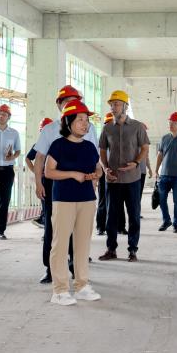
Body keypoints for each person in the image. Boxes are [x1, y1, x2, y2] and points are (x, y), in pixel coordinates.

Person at [33, 85, 100, 284]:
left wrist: (94, 180)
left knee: (79, 230)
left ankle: (75, 268)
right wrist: (38, 183)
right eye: (67, 101)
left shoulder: (88, 127)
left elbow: (94, 156)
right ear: (59, 104)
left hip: (82, 184)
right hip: (56, 184)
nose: (71, 104)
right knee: (53, 229)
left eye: (75, 100)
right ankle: (51, 269)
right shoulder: (50, 130)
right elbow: (39, 158)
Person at [44, 99, 103, 305]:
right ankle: (59, 290)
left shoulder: (89, 146)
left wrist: (96, 174)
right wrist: (72, 174)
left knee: (83, 245)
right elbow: (48, 171)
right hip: (64, 200)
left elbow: (98, 167)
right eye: (80, 120)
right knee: (60, 245)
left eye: (87, 120)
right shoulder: (58, 145)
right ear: (68, 122)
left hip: (87, 199)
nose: (85, 124)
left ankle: (81, 286)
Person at [98, 89, 150, 261]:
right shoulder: (107, 128)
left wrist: (136, 162)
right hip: (113, 180)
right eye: (112, 105)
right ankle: (111, 249)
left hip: (132, 179)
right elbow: (102, 150)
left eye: (117, 104)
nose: (113, 107)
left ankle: (132, 250)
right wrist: (105, 168)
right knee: (111, 216)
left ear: (125, 106)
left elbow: (145, 147)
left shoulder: (137, 127)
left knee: (134, 215)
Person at [0, 104, 21, 240]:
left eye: (4, 114)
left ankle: (0, 230)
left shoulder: (14, 133)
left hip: (7, 171)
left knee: (4, 201)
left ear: (8, 117)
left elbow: (18, 150)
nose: (1, 116)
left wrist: (13, 157)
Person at [26, 117, 53, 229]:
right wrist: (36, 172)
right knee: (46, 205)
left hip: (56, 178)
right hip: (44, 180)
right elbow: (28, 158)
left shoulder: (57, 144)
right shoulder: (38, 145)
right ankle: (47, 229)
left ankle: (48, 225)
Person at [96, 112, 114, 235]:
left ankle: (113, 226)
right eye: (108, 123)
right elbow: (97, 156)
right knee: (103, 199)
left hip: (114, 170)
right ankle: (100, 226)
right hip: (103, 170)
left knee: (114, 200)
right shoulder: (101, 138)